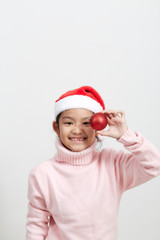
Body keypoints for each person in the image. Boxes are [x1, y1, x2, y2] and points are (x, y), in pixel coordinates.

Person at [26, 86, 160, 240]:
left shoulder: (112, 164)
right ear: (56, 128)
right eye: (68, 123)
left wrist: (125, 135)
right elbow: (36, 225)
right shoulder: (42, 173)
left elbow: (154, 165)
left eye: (86, 123)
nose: (77, 130)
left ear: (98, 128)